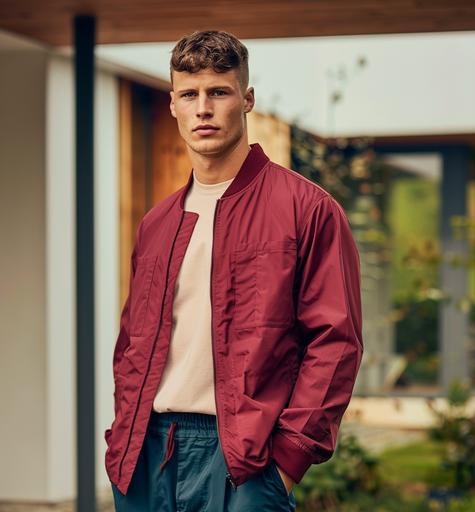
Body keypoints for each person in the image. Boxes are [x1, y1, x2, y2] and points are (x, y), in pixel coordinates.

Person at [105, 29, 363, 512]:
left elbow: (336, 342)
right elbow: (132, 344)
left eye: (219, 92)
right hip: (145, 452)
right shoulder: (157, 222)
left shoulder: (307, 210)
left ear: (246, 100)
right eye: (190, 94)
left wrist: (288, 462)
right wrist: (122, 435)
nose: (203, 108)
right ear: (173, 105)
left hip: (244, 459)